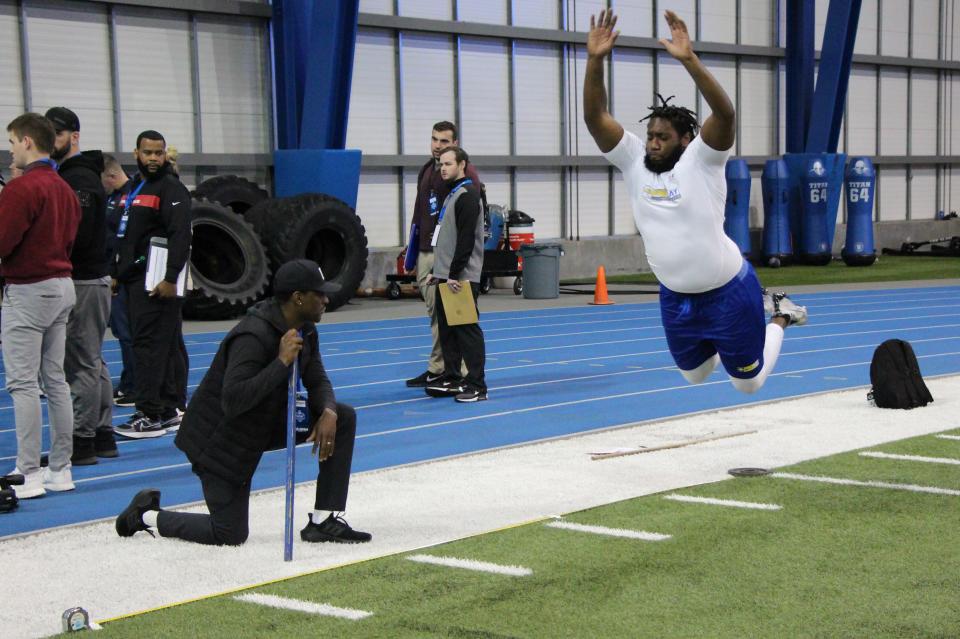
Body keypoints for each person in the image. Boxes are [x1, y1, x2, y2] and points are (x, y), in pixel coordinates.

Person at [584, 9, 807, 395]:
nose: (653, 142)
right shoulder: (632, 160)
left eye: (663, 137)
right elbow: (594, 116)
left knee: (748, 383)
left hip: (727, 291)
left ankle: (781, 316)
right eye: (650, 135)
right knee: (695, 375)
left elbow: (726, 113)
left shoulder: (702, 159)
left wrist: (689, 60)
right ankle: (727, 341)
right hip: (675, 296)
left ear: (684, 140)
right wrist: (595, 60)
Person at [115, 259, 371, 546]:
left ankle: (323, 521)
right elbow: (234, 400)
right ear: (298, 298)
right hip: (221, 439)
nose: (326, 298)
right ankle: (145, 515)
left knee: (343, 416)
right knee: (229, 533)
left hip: (261, 422)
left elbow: (317, 378)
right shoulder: (253, 335)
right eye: (319, 293)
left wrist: (328, 410)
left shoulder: (305, 328)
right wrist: (281, 362)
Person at [0, 113, 81, 498]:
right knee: (55, 380)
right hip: (61, 285)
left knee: (22, 384)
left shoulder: (22, 188)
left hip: (30, 288)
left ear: (28, 142)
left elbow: (3, 241)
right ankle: (61, 468)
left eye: (13, 142)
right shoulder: (64, 188)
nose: (11, 149)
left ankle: (28, 472)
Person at [46, 107, 116, 464]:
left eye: (55, 134)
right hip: (91, 276)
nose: (49, 141)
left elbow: (80, 233)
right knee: (92, 359)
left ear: (73, 136)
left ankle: (83, 439)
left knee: (81, 363)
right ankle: (102, 435)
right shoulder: (78, 176)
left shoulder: (79, 181)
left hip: (84, 278)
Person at [112, 130, 190, 438]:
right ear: (136, 154)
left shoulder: (172, 189)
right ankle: (168, 410)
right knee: (161, 346)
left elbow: (181, 236)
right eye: (148, 153)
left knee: (149, 347)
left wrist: (170, 277)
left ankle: (149, 413)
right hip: (133, 280)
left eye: (159, 153)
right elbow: (125, 236)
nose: (154, 158)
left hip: (157, 282)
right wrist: (116, 272)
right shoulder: (133, 188)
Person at [403, 121, 483, 389]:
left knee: (455, 318)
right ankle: (440, 368)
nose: (437, 146)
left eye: (444, 142)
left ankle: (458, 372)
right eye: (434, 140)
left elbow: (466, 227)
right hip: (428, 251)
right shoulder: (428, 169)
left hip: (449, 258)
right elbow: (420, 210)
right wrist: (411, 250)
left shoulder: (464, 179)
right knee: (435, 313)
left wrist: (454, 268)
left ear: (456, 146)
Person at [423, 147, 488, 403]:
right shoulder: (451, 194)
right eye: (441, 164)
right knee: (448, 330)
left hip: (460, 278)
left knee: (466, 330)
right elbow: (446, 237)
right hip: (446, 275)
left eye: (448, 163)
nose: (443, 168)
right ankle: (451, 377)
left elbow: (465, 240)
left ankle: (477, 384)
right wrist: (437, 272)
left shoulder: (468, 195)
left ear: (462, 165)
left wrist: (453, 273)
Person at [101, 154, 135, 406]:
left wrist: (115, 273)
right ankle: (130, 380)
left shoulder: (132, 196)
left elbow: (124, 241)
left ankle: (132, 384)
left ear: (111, 175)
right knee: (120, 330)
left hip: (123, 276)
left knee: (126, 332)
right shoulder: (111, 197)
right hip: (110, 272)